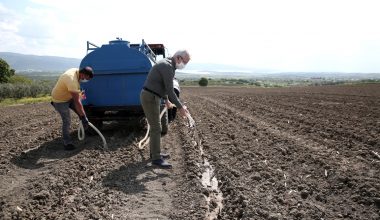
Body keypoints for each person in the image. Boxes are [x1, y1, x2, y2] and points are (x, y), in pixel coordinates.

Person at [140, 50, 191, 168]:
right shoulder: (167, 66)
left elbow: (162, 86)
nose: (184, 65)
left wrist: (167, 100)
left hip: (153, 96)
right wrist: (180, 107)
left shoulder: (169, 65)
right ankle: (156, 159)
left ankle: (155, 153)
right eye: (185, 62)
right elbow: (170, 89)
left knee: (156, 127)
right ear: (178, 58)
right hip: (150, 97)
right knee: (156, 127)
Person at [51, 66, 94, 151]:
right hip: (60, 100)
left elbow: (77, 92)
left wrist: (83, 116)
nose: (85, 80)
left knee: (81, 113)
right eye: (86, 78)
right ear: (82, 74)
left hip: (68, 96)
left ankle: (86, 129)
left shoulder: (76, 71)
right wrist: (84, 117)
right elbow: (77, 102)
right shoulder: (71, 80)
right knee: (67, 120)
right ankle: (67, 142)